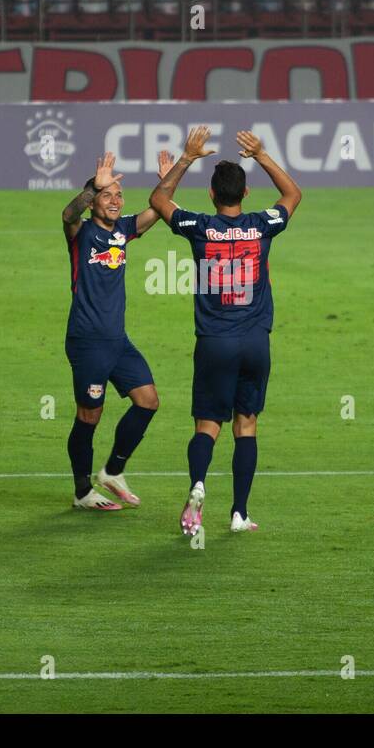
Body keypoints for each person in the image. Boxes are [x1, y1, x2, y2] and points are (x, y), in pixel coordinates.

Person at [147, 127, 301, 536]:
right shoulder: (261, 224)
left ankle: (198, 484)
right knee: (245, 425)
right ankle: (239, 514)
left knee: (207, 426)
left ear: (212, 195)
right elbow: (293, 196)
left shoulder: (199, 225)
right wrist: (263, 155)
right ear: (245, 194)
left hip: (215, 343)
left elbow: (159, 201)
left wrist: (185, 159)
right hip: (255, 343)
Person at [61, 150, 173, 510]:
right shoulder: (81, 233)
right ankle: (81, 493)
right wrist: (94, 185)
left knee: (148, 401)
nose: (115, 201)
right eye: (107, 196)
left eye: (118, 195)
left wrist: (166, 181)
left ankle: (112, 471)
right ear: (94, 201)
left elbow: (158, 210)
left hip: (117, 341)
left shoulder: (123, 230)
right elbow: (68, 214)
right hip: (87, 342)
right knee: (89, 416)